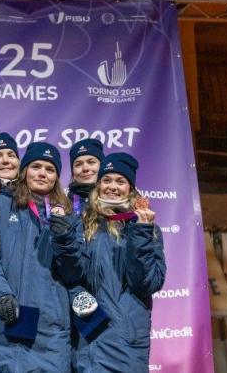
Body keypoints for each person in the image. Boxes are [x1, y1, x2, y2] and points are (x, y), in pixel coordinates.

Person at [0, 142, 79, 373]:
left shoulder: (69, 220)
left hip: (49, 335)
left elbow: (74, 273)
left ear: (57, 177)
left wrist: (64, 237)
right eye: (36, 166)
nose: (42, 173)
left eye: (50, 169)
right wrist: (1, 295)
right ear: (24, 170)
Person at [52, 153, 166, 372]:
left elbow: (146, 283)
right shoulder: (83, 223)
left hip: (127, 341)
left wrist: (141, 232)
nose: (112, 186)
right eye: (107, 180)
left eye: (120, 181)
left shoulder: (148, 229)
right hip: (88, 336)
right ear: (98, 184)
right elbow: (71, 274)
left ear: (131, 188)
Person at [66, 138, 105, 318]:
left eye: (91, 162)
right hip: (74, 297)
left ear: (102, 165)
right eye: (78, 164)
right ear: (73, 171)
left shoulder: (120, 202)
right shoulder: (63, 203)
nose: (85, 168)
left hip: (109, 291)